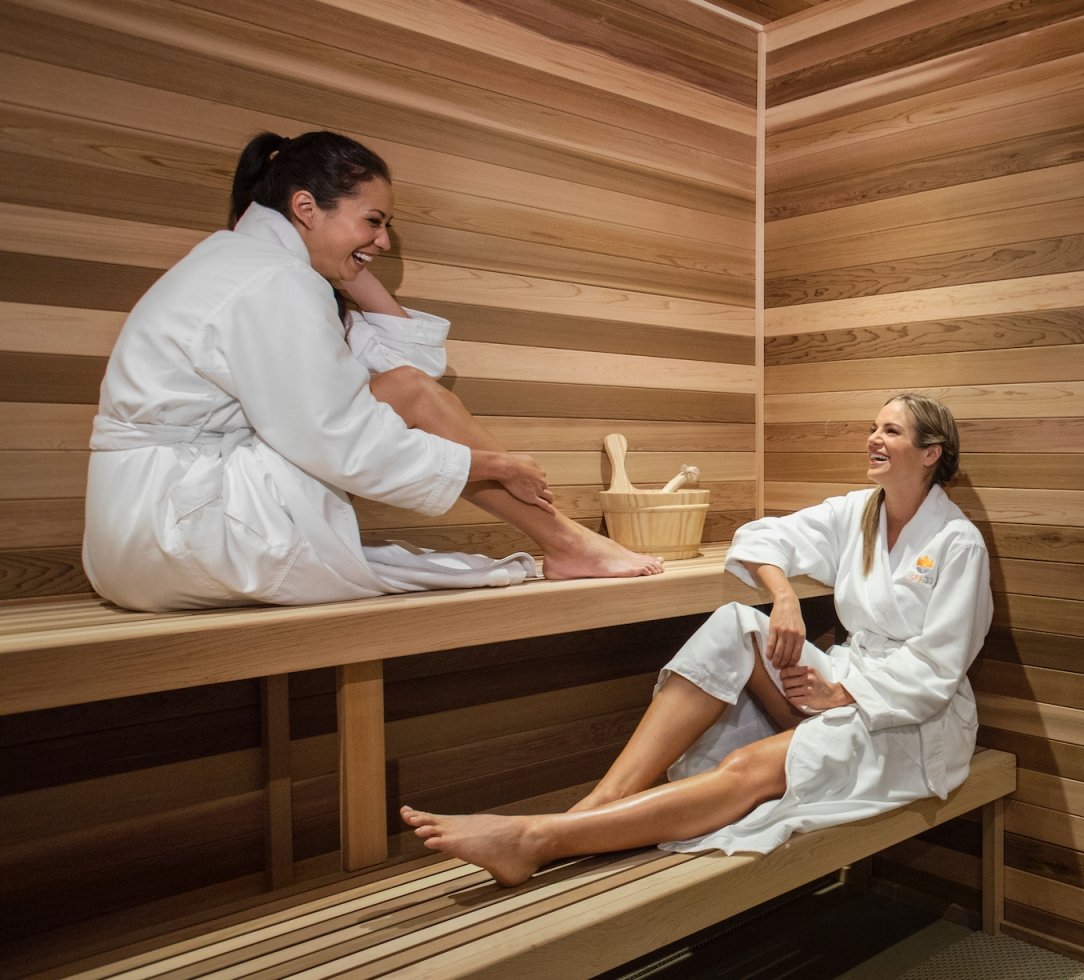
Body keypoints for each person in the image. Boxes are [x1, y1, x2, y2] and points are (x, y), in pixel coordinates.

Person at [399, 393, 991, 886]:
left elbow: (939, 669)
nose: (873, 438)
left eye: (890, 430)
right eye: (872, 427)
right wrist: (783, 598)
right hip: (844, 680)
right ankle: (601, 805)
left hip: (912, 720)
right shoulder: (860, 511)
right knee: (738, 623)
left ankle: (537, 838)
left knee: (747, 765)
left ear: (930, 452)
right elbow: (760, 536)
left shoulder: (956, 543)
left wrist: (845, 695)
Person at [83, 130, 662, 611]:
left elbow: (399, 362)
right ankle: (567, 541)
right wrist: (491, 463)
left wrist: (344, 260)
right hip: (182, 531)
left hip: (140, 536)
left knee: (410, 388)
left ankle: (567, 541)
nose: (382, 241)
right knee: (410, 394)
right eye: (372, 221)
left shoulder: (250, 265)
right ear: (305, 207)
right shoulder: (273, 282)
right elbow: (343, 436)